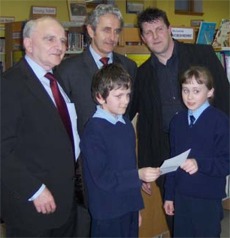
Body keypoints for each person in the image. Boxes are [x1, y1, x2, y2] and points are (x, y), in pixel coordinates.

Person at [129, 7, 230, 234]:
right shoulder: (142, 73)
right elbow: (143, 125)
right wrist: (143, 165)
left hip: (205, 149)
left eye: (159, 29)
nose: (155, 36)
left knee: (207, 218)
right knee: (175, 216)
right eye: (148, 32)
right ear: (143, 38)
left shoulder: (202, 54)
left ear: (170, 29)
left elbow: (225, 97)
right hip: (166, 154)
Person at [56, 4, 137, 236]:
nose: (113, 37)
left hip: (120, 167)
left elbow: (128, 114)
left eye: (117, 31)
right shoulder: (67, 70)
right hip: (85, 169)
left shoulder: (129, 66)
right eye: (106, 30)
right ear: (90, 30)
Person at [1, 16, 80, 237]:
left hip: (65, 202)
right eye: (50, 39)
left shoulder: (57, 81)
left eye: (63, 41)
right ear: (28, 44)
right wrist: (34, 190)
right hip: (33, 207)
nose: (60, 46)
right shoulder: (10, 84)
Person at [80, 63, 161, 238]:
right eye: (118, 96)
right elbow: (102, 177)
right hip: (107, 211)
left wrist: (136, 203)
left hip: (129, 205)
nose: (125, 101)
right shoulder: (93, 131)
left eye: (127, 94)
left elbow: (128, 165)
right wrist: (137, 175)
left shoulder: (124, 124)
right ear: (100, 97)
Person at [163, 66, 229, 237]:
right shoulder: (177, 121)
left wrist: (200, 164)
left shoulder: (220, 121)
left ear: (210, 92)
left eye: (196, 91)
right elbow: (173, 160)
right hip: (182, 194)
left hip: (207, 197)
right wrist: (169, 195)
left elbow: (226, 161)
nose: (190, 96)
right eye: (185, 90)